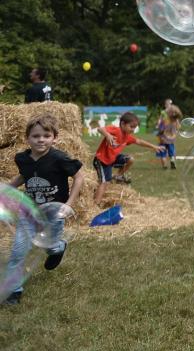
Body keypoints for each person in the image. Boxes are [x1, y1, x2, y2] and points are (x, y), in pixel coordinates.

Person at [3, 114, 84, 305]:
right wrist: (6, 189)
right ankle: (14, 292)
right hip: (29, 212)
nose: (41, 139)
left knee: (47, 245)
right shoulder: (22, 158)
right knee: (18, 251)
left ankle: (58, 247)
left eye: (46, 135)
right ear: (27, 138)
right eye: (36, 136)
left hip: (55, 212)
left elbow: (79, 177)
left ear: (54, 137)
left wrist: (68, 204)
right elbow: (24, 176)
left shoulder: (59, 158)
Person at [93, 111, 164, 206]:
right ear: (122, 124)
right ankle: (95, 205)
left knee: (130, 159)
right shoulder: (116, 130)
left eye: (135, 127)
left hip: (112, 159)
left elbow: (139, 141)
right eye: (131, 127)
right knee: (104, 182)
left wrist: (154, 147)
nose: (133, 130)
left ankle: (117, 176)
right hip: (101, 160)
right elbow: (100, 129)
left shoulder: (127, 137)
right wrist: (108, 135)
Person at [156, 105, 182, 169]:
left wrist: (159, 135)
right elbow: (178, 128)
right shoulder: (176, 121)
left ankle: (164, 166)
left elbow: (161, 129)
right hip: (171, 140)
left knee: (163, 154)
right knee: (171, 153)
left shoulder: (165, 120)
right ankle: (172, 160)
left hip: (163, 139)